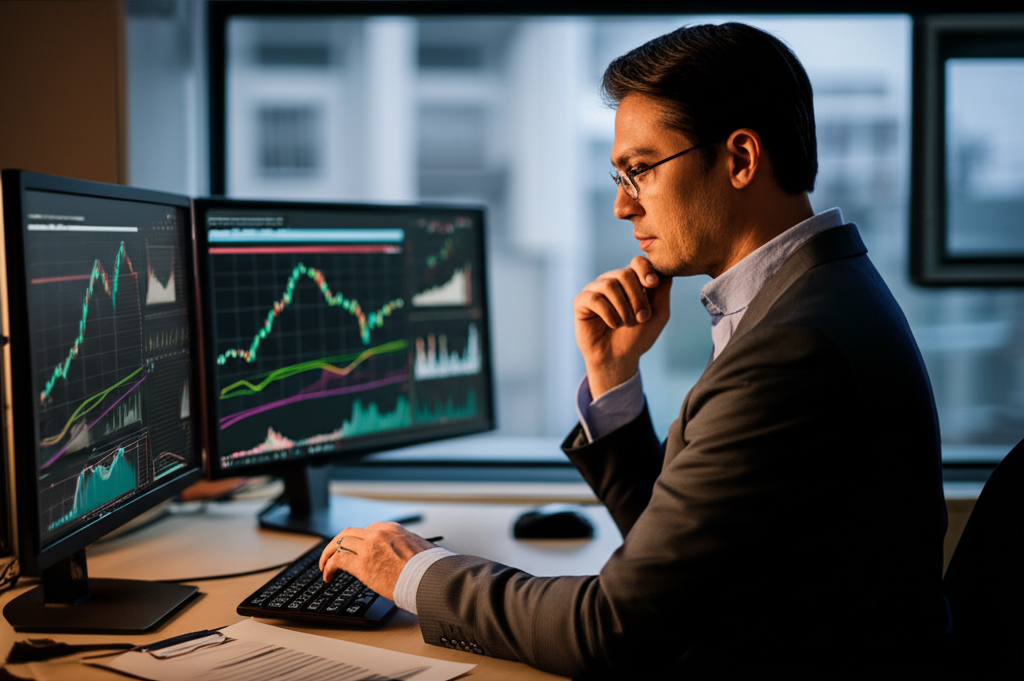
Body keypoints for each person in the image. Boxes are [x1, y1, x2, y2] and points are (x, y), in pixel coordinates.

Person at [320, 23, 949, 677]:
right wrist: (613, 375)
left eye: (639, 170)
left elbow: (614, 626)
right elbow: (686, 555)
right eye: (619, 174)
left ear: (739, 159)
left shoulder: (792, 347)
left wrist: (417, 572)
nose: (623, 205)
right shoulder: (813, 291)